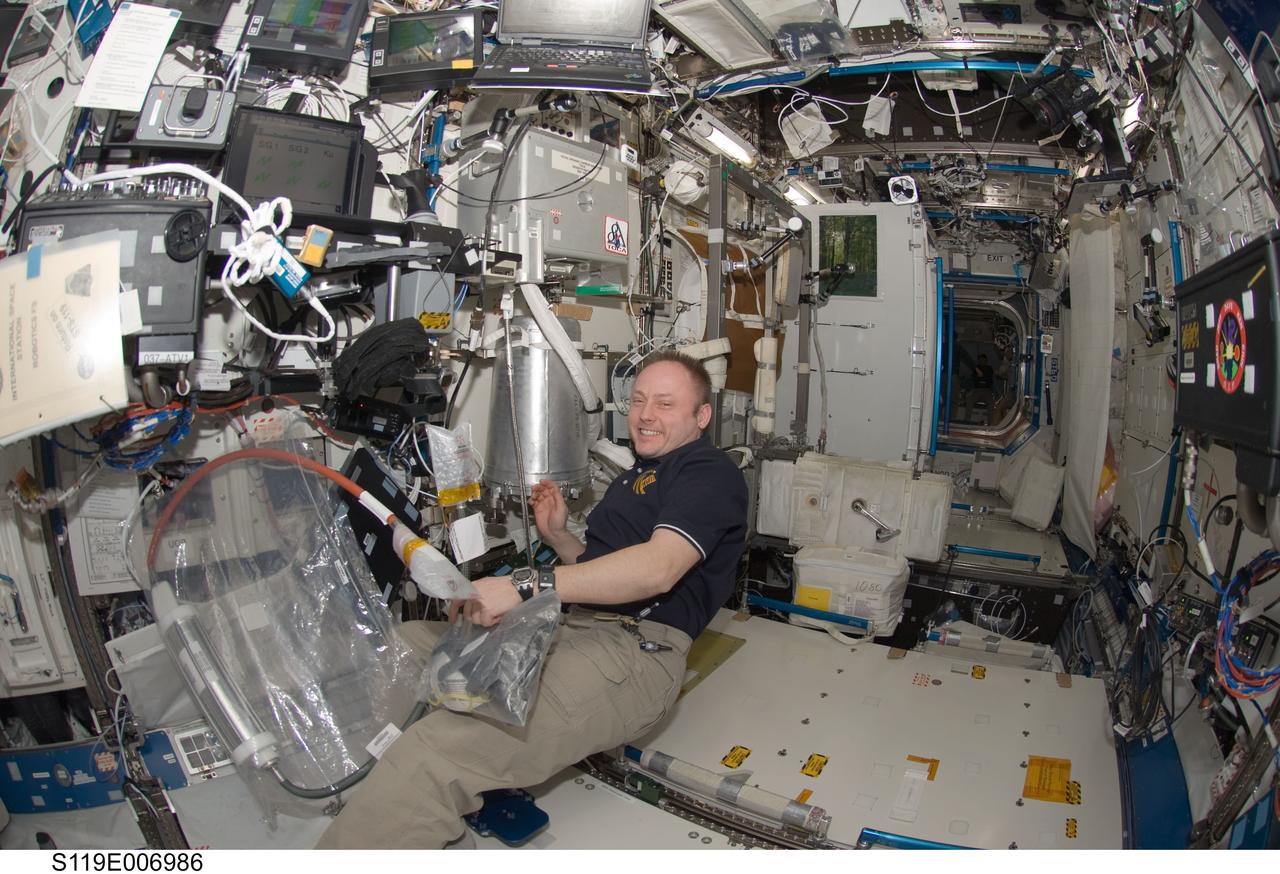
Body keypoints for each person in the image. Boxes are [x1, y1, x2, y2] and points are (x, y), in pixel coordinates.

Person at [316, 349, 748, 848]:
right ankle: (376, 795)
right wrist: (562, 539)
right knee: (401, 648)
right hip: (574, 627)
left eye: (666, 404)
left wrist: (527, 584)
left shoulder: (708, 471)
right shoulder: (638, 474)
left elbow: (657, 570)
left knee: (438, 754)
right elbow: (602, 576)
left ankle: (389, 812)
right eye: (639, 401)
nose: (646, 414)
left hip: (631, 654)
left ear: (702, 416)